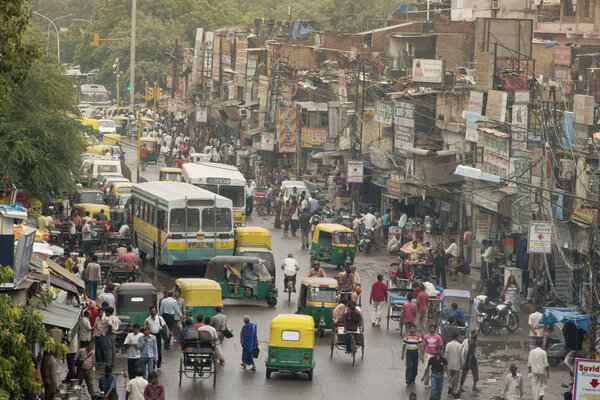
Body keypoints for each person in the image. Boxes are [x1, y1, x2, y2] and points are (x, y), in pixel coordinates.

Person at [445, 332, 462, 398]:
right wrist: (462, 363)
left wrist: (445, 363)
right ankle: (454, 390)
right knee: (456, 379)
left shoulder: (448, 344)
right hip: (457, 365)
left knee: (449, 377)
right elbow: (461, 356)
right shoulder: (459, 345)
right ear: (457, 337)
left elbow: (446, 354)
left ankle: (449, 386)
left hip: (449, 364)